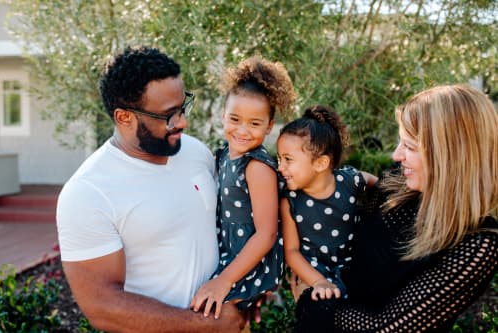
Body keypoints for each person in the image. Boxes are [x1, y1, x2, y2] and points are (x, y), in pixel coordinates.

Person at [56, 46, 245, 332]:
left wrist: (248, 288)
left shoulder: (196, 152)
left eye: (184, 106)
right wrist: (207, 325)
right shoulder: (88, 193)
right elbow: (102, 306)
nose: (183, 122)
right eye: (169, 115)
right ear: (124, 117)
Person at [292, 84, 498, 332]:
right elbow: (330, 218)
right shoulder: (399, 187)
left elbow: (387, 328)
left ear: (451, 155)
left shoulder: (477, 244)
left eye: (410, 146)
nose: (396, 155)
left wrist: (308, 299)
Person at [190, 55, 296, 319]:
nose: (243, 131)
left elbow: (266, 234)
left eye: (255, 123)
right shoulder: (225, 155)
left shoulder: (257, 167)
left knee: (208, 316)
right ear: (223, 115)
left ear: (270, 126)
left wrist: (224, 280)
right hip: (230, 255)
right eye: (235, 119)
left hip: (249, 262)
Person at [277, 105, 378, 303]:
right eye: (279, 158)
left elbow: (383, 187)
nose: (280, 167)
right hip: (312, 272)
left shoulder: (350, 181)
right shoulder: (290, 201)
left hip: (355, 267)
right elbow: (291, 251)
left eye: (288, 159)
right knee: (317, 309)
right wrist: (318, 282)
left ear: (321, 163)